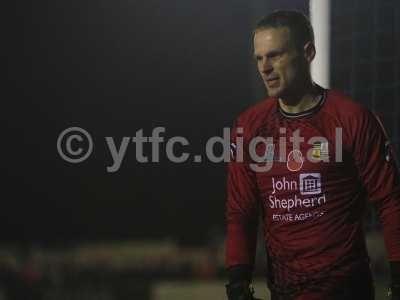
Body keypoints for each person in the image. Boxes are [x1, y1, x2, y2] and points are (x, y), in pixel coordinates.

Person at [225, 10, 400, 300]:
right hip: (283, 291)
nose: (264, 67)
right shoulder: (248, 127)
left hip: (346, 290)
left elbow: (391, 202)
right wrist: (237, 282)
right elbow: (241, 211)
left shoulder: (352, 118)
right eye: (259, 58)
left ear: (308, 52)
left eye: (275, 55)